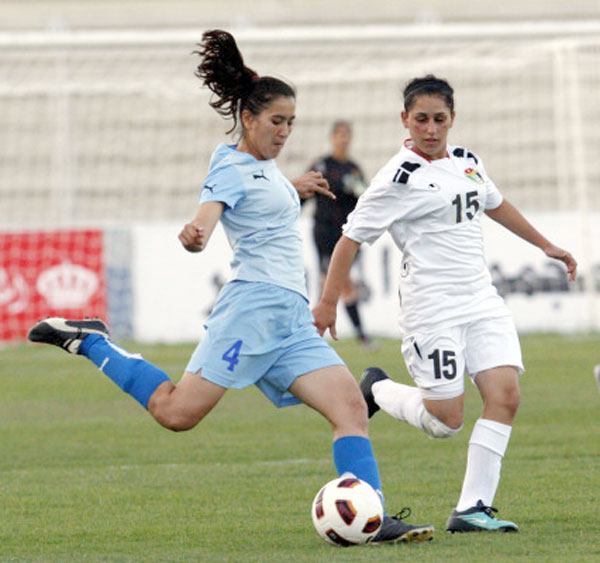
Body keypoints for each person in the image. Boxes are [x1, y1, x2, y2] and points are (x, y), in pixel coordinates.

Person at [27, 30, 434, 545]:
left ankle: (372, 517)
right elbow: (210, 212)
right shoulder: (228, 166)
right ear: (248, 118)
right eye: (276, 121)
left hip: (291, 318)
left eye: (291, 122)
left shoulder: (266, 169)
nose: (285, 131)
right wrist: (196, 234)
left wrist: (293, 186)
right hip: (251, 311)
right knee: (176, 413)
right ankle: (91, 340)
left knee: (350, 408)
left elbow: (263, 193)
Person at [313, 74, 578, 534]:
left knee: (505, 396)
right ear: (405, 119)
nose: (431, 129)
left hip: (481, 299)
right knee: (446, 423)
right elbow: (349, 239)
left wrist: (545, 245)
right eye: (421, 119)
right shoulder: (397, 178)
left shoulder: (467, 161)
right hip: (431, 309)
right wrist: (328, 303)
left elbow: (495, 203)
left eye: (439, 119)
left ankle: (472, 508)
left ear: (453, 118)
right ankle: (378, 389)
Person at [307, 121, 373, 347]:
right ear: (332, 138)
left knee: (335, 283)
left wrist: (359, 190)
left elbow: (366, 199)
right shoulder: (321, 165)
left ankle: (312, 333)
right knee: (336, 282)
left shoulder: (354, 169)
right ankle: (360, 336)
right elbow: (304, 192)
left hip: (346, 236)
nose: (343, 139)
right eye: (339, 134)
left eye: (346, 135)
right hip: (324, 233)